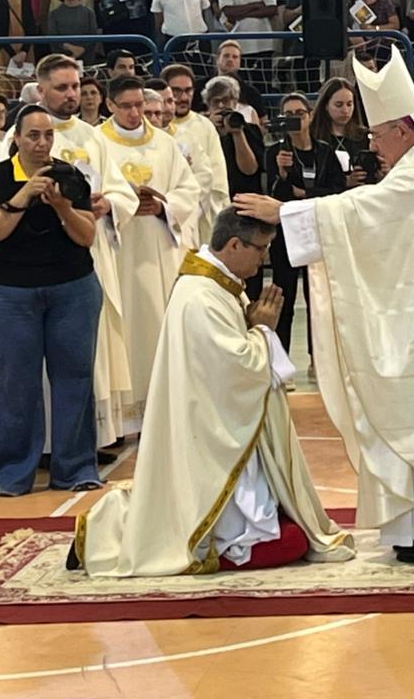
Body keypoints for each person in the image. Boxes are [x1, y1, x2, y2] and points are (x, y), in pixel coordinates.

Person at [236, 56, 414, 565]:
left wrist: (283, 212)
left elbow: (364, 213)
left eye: (378, 133)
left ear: (404, 129)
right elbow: (374, 219)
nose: (371, 142)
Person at [72, 207, 355, 576]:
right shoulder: (200, 297)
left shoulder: (217, 284)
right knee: (290, 542)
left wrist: (254, 328)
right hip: (213, 444)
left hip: (217, 431)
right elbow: (238, 370)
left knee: (293, 533)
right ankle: (191, 541)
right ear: (235, 244)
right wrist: (264, 331)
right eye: (261, 248)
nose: (265, 258)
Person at [0, 104, 102, 497]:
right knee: (17, 384)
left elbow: (87, 236)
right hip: (9, 294)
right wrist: (22, 196)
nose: (42, 143)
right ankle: (14, 476)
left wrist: (63, 206)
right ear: (16, 138)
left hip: (72, 288)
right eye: (33, 135)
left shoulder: (70, 176)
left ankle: (77, 468)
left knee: (74, 379)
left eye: (48, 135)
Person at [95, 74, 201, 432]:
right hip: (119, 251)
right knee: (123, 331)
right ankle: (124, 419)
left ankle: (162, 413)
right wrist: (120, 204)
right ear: (110, 105)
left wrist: (163, 207)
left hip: (158, 249)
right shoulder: (97, 142)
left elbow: (190, 189)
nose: (135, 113)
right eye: (126, 106)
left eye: (139, 105)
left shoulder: (165, 144)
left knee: (159, 325)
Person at [265, 92, 344, 360]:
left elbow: (337, 190)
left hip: (318, 229)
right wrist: (283, 174)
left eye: (300, 113)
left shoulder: (325, 151)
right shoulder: (275, 152)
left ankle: (319, 358)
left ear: (310, 116)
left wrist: (305, 195)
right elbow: (275, 196)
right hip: (286, 234)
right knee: (283, 298)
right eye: (289, 115)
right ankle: (281, 357)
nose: (295, 119)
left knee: (319, 299)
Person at [162, 63, 229, 248]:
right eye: (176, 91)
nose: (183, 97)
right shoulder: (154, 127)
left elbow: (217, 179)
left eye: (188, 91)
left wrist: (192, 209)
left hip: (201, 215)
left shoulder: (204, 126)